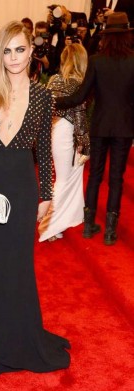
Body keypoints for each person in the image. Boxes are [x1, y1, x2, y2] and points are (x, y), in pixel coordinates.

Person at [0, 20, 71, 375]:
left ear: (30, 52)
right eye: (7, 50)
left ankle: (25, 338)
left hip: (23, 188)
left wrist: (46, 195)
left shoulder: (42, 96)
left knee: (20, 267)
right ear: (0, 54)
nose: (13, 57)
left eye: (20, 49)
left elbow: (45, 149)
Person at [54, 12, 134, 246]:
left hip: (100, 126)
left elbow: (79, 96)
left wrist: (52, 101)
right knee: (117, 178)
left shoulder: (97, 61)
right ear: (127, 35)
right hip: (124, 128)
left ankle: (88, 227)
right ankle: (110, 231)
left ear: (106, 36)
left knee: (95, 175)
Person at [38, 43, 90, 242]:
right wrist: (85, 144)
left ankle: (65, 218)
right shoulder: (78, 83)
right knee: (63, 179)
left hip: (54, 130)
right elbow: (79, 115)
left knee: (65, 176)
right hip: (67, 131)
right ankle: (48, 226)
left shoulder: (54, 79)